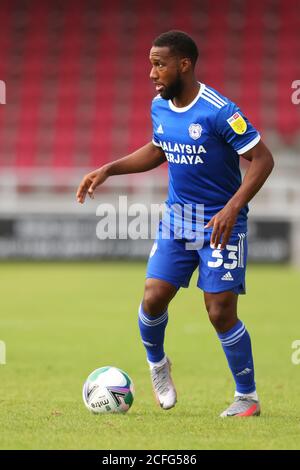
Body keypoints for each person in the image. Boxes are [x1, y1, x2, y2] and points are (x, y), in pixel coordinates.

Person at [76, 30, 274, 417]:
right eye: (151, 64)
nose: (152, 73)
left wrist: (233, 208)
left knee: (219, 311)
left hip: (222, 224)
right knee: (152, 296)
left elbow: (263, 159)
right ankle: (158, 367)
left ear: (184, 64)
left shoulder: (219, 111)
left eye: (159, 64)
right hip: (178, 220)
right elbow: (158, 148)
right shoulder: (160, 106)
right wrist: (109, 169)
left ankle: (246, 397)